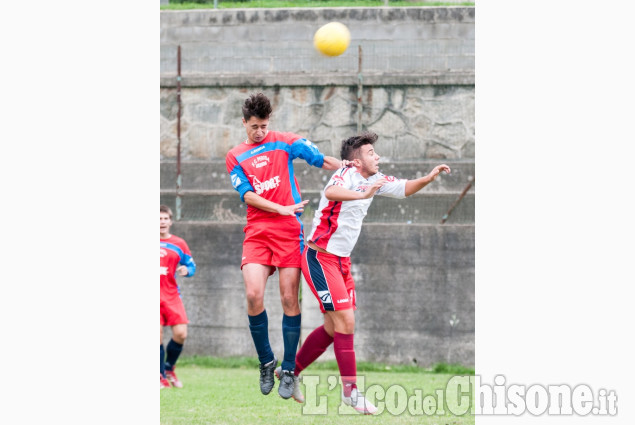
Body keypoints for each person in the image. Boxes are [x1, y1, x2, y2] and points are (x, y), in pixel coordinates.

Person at [293, 131, 451, 414]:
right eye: (371, 153)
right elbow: (331, 192)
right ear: (356, 160)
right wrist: (362, 193)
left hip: (342, 262)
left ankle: (291, 373)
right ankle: (351, 392)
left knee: (333, 328)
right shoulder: (345, 174)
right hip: (319, 258)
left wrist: (427, 178)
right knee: (346, 322)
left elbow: (403, 188)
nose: (376, 157)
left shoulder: (376, 180)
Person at [225, 93, 347, 401]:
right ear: (244, 123)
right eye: (254, 126)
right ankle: (267, 361)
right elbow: (248, 196)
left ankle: (290, 369)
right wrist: (279, 208)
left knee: (289, 298)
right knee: (253, 295)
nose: (260, 132)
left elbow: (321, 160)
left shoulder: (285, 141)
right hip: (257, 231)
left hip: (289, 231)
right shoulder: (235, 155)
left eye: (264, 125)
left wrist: (347, 167)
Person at [160, 205, 197, 389]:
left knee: (181, 334)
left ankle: (168, 368)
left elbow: (192, 266)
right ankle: (159, 377)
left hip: (171, 294)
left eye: (165, 218)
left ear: (170, 221)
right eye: (159, 219)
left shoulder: (179, 243)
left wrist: (186, 270)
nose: (162, 222)